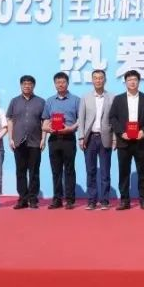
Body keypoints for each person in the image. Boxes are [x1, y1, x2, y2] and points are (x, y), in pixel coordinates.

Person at [109, 70, 144, 210]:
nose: (132, 82)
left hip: (141, 141)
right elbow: (112, 117)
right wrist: (121, 133)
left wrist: (143, 131)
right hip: (124, 141)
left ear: (139, 81)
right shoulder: (118, 99)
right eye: (129, 80)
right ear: (125, 82)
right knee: (124, 172)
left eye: (135, 79)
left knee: (143, 171)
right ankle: (124, 200)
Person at [42, 72, 81, 209]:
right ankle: (57, 199)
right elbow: (45, 120)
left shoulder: (76, 100)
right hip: (54, 139)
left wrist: (71, 128)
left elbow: (80, 120)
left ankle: (70, 200)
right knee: (56, 170)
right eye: (58, 82)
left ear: (67, 83)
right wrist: (47, 128)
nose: (60, 84)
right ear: (54, 84)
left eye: (63, 82)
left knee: (69, 169)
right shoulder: (50, 101)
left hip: (69, 138)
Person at [6, 75, 45, 209]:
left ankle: (33, 199)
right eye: (24, 84)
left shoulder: (41, 102)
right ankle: (22, 199)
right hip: (19, 141)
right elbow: (10, 120)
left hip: (35, 141)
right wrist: (10, 138)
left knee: (34, 171)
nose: (27, 86)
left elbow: (44, 121)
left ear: (34, 86)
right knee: (20, 171)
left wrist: (43, 139)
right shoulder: (14, 101)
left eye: (29, 84)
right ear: (21, 85)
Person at [77, 69, 113, 210]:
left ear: (105, 80)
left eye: (101, 78)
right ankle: (92, 200)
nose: (98, 80)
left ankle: (104, 200)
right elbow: (81, 118)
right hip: (90, 138)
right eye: (95, 78)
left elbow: (114, 120)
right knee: (90, 170)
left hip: (105, 137)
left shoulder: (112, 97)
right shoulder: (85, 97)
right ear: (92, 80)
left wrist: (115, 139)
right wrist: (81, 137)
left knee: (105, 171)